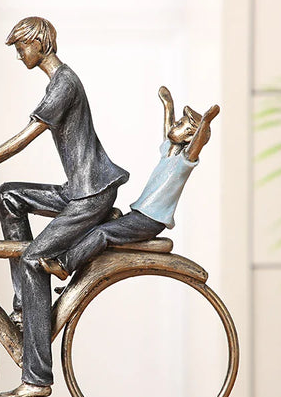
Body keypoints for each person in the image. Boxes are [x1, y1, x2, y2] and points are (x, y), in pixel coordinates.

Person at [0, 17, 128, 397]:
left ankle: (36, 378)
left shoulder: (64, 84)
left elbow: (24, 139)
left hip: (90, 195)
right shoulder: (57, 82)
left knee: (34, 260)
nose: (20, 56)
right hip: (77, 190)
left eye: (22, 48)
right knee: (9, 197)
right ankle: (24, 307)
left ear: (39, 42)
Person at [41, 86, 220, 281]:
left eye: (180, 125)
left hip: (151, 221)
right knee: (107, 218)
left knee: (102, 233)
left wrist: (206, 122)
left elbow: (196, 145)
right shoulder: (168, 153)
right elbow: (168, 130)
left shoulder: (183, 162)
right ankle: (77, 274)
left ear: (189, 137)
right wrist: (168, 105)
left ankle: (64, 266)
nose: (174, 125)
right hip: (139, 214)